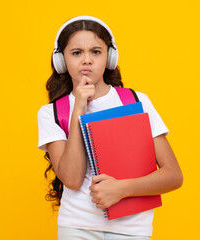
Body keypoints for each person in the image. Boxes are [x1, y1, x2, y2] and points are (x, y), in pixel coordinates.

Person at [37, 16, 183, 240]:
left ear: (109, 57)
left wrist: (121, 189)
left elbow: (173, 176)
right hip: (77, 229)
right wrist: (78, 110)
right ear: (62, 60)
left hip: (133, 231)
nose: (86, 60)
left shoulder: (136, 102)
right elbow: (73, 179)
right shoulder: (51, 113)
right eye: (76, 53)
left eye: (96, 51)